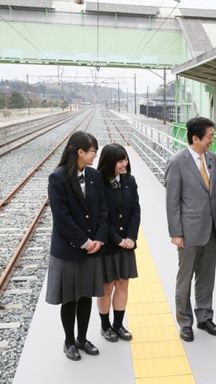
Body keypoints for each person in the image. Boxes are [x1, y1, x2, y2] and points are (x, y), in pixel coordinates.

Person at [46, 131, 108, 361]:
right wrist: (84, 242)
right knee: (70, 298)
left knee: (85, 296)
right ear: (80, 152)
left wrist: (99, 239)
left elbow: (103, 210)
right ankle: (69, 341)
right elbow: (61, 218)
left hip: (92, 247)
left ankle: (82, 338)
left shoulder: (94, 176)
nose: (95, 155)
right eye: (93, 151)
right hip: (69, 250)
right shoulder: (57, 178)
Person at [164, 117, 216, 342]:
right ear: (195, 138)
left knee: (207, 278)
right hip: (188, 232)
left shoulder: (211, 159)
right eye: (209, 136)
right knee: (185, 279)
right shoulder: (176, 161)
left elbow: (212, 195)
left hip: (211, 230)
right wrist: (175, 233)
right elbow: (172, 201)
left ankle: (205, 317)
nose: (212, 140)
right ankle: (185, 322)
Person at [97, 144, 140, 342]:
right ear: (109, 163)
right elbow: (100, 217)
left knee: (123, 284)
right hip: (108, 244)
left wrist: (131, 237)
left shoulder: (130, 181)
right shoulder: (98, 184)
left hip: (126, 243)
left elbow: (135, 212)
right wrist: (118, 240)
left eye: (125, 160)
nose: (125, 164)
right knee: (107, 287)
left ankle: (118, 325)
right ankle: (105, 326)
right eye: (120, 160)